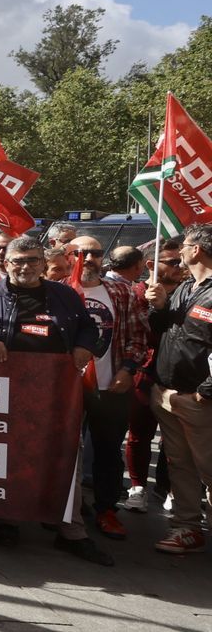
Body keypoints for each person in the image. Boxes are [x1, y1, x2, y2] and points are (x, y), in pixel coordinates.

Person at [0, 236, 110, 564]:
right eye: (18, 260)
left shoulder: (65, 295)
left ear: (44, 264)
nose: (25, 266)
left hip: (58, 391)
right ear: (6, 263)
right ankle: (9, 520)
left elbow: (89, 329)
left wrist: (85, 346)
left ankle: (71, 530)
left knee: (65, 455)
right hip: (4, 392)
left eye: (32, 260)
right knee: (10, 456)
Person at [64, 235, 151, 541]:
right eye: (80, 253)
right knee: (62, 450)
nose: (88, 259)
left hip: (110, 387)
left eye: (95, 253)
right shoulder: (59, 292)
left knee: (107, 451)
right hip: (66, 389)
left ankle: (106, 509)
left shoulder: (120, 291)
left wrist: (128, 369)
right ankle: (62, 510)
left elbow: (139, 335)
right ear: (67, 256)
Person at [142, 224, 212, 554]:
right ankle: (187, 527)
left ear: (197, 249)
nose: (179, 252)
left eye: (184, 246)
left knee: (209, 466)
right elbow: (163, 329)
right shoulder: (185, 288)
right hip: (167, 392)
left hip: (200, 399)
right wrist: (157, 306)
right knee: (179, 464)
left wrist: (207, 390)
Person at [125, 236, 185, 513]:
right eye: (173, 261)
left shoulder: (192, 292)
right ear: (151, 264)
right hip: (145, 372)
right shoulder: (136, 292)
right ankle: (138, 487)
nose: (180, 266)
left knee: (176, 438)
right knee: (140, 433)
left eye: (181, 261)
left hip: (181, 375)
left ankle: (170, 487)